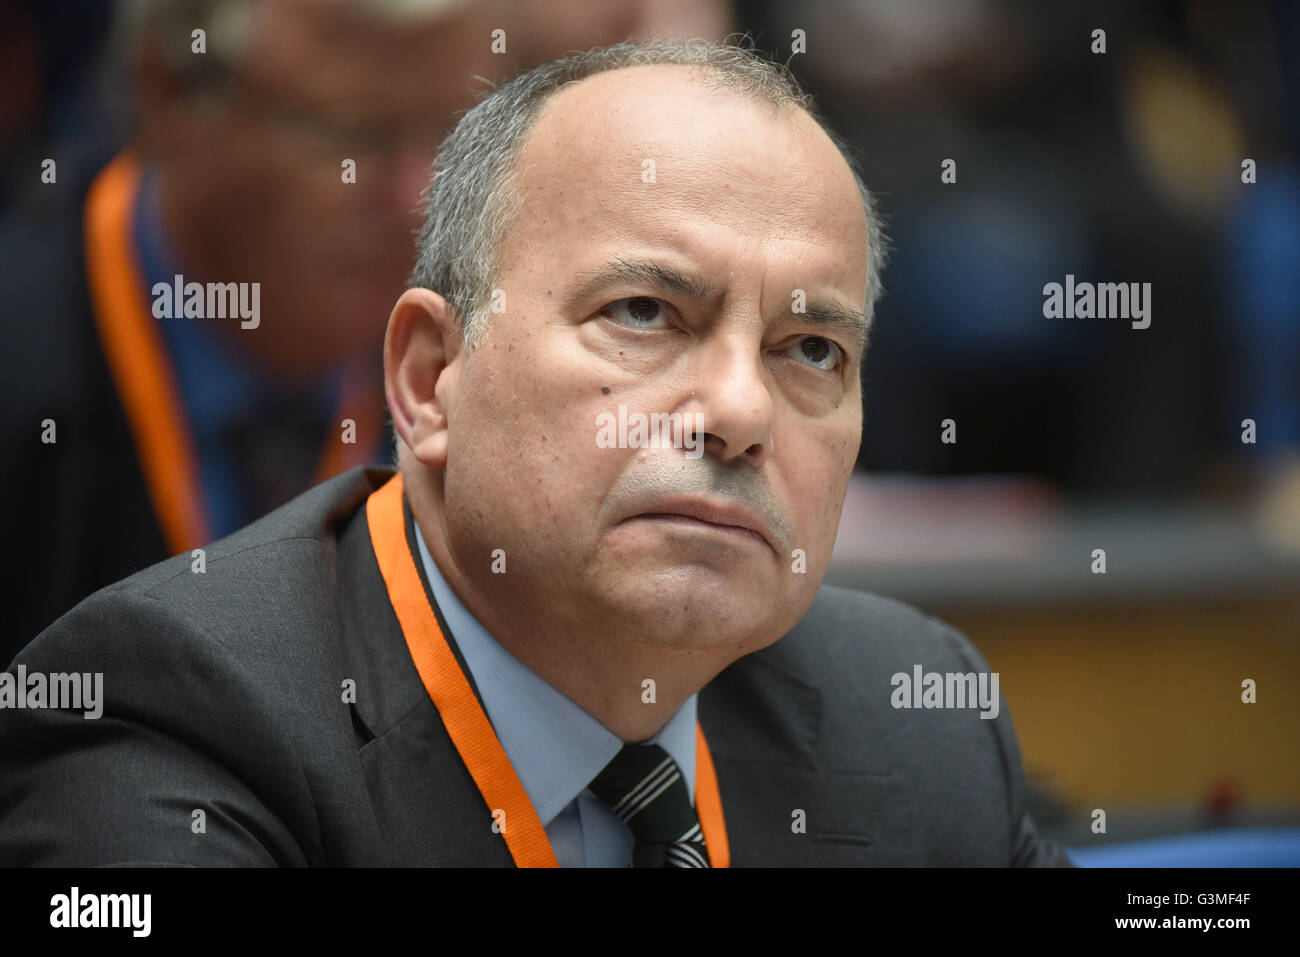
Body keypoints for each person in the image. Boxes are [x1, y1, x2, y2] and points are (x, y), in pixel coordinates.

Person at [0, 39, 1073, 867]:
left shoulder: (912, 713)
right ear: (430, 380)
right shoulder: (178, 726)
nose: (741, 409)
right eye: (646, 312)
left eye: (809, 347)